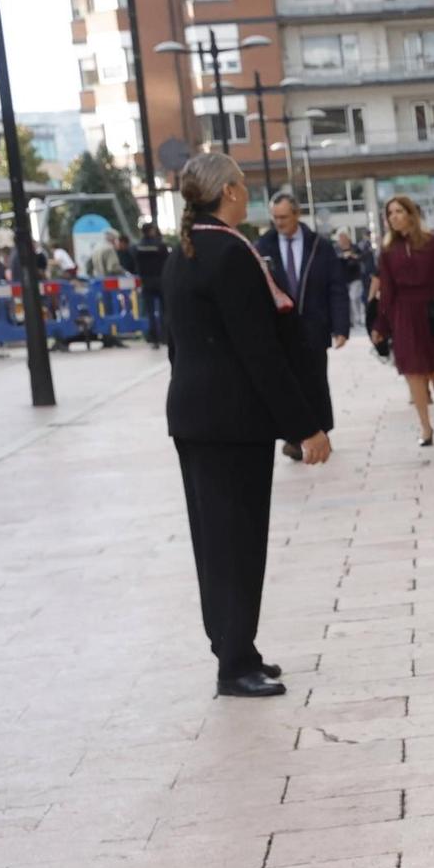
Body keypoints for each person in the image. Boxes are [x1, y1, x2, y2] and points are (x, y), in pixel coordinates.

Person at [162, 153, 331, 699]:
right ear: (229, 191)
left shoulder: (183, 254)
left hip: (195, 414)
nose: (246, 193)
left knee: (215, 541)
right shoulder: (232, 255)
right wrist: (306, 427)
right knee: (237, 541)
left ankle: (236, 647)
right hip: (231, 421)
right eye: (241, 185)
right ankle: (234, 664)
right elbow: (259, 352)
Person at [257, 192, 349, 459]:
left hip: (313, 326)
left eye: (284, 217)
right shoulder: (263, 247)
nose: (279, 223)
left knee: (315, 381)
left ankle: (321, 431)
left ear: (297, 214)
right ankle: (293, 437)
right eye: (275, 218)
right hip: (281, 331)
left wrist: (340, 326)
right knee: (287, 383)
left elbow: (336, 287)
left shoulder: (319, 246)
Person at [370, 194, 434, 447]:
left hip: (431, 310)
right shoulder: (388, 250)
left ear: (411, 214)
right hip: (403, 313)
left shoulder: (431, 243)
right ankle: (425, 426)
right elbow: (386, 290)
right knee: (413, 372)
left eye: (399, 211)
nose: (394, 217)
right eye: (390, 213)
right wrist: (381, 324)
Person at [130, 222, 170, 347]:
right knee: (165, 311)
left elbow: (135, 265)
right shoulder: (161, 246)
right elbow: (167, 262)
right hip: (161, 281)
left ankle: (154, 339)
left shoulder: (137, 247)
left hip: (146, 282)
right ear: (152, 231)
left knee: (150, 312)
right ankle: (165, 337)